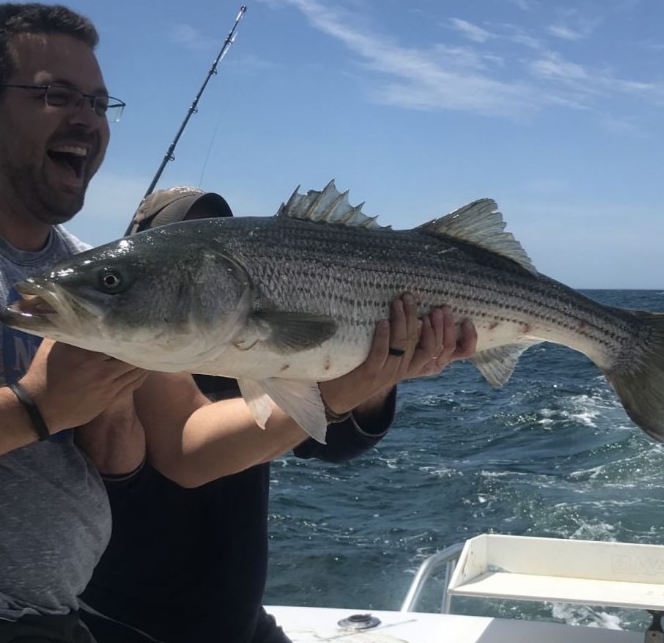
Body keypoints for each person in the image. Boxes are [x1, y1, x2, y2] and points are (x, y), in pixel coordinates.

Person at [0, 2, 476, 643]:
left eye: (100, 104)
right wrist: (35, 407)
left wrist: (339, 392)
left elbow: (186, 445)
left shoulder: (87, 273)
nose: (86, 119)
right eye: (55, 95)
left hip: (45, 621)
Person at [79, 188, 467, 643]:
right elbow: (182, 452)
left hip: (241, 620)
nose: (199, 265)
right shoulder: (118, 357)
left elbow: (330, 443)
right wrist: (335, 394)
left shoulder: (244, 344)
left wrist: (379, 375)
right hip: (131, 623)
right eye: (181, 237)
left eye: (211, 236)